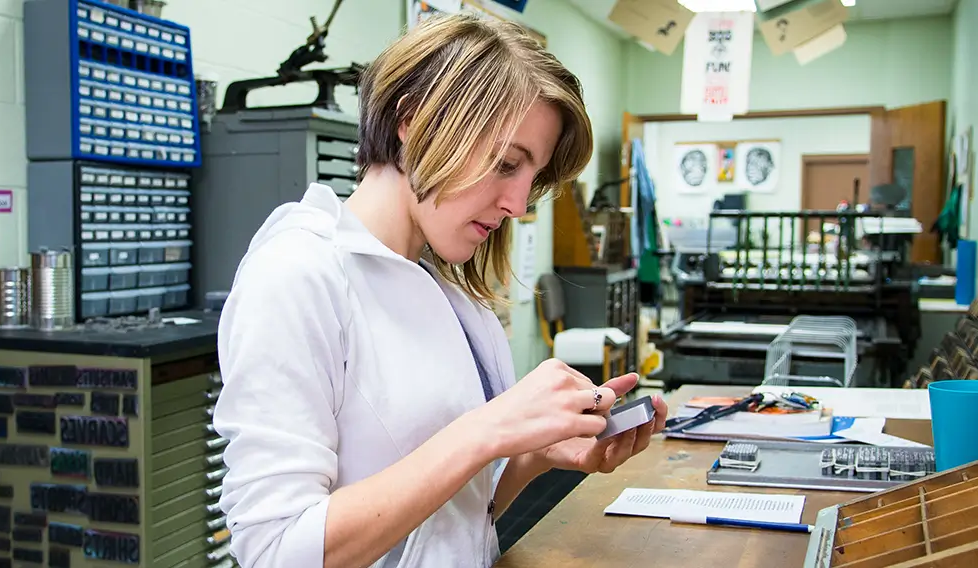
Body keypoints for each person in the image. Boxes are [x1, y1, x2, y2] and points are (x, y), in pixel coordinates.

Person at [212, 13, 669, 568]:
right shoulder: (297, 274)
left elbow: (457, 520)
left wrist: (535, 455)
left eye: (532, 178)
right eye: (505, 164)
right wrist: (485, 431)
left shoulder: (454, 293)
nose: (518, 206)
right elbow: (276, 551)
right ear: (413, 120)